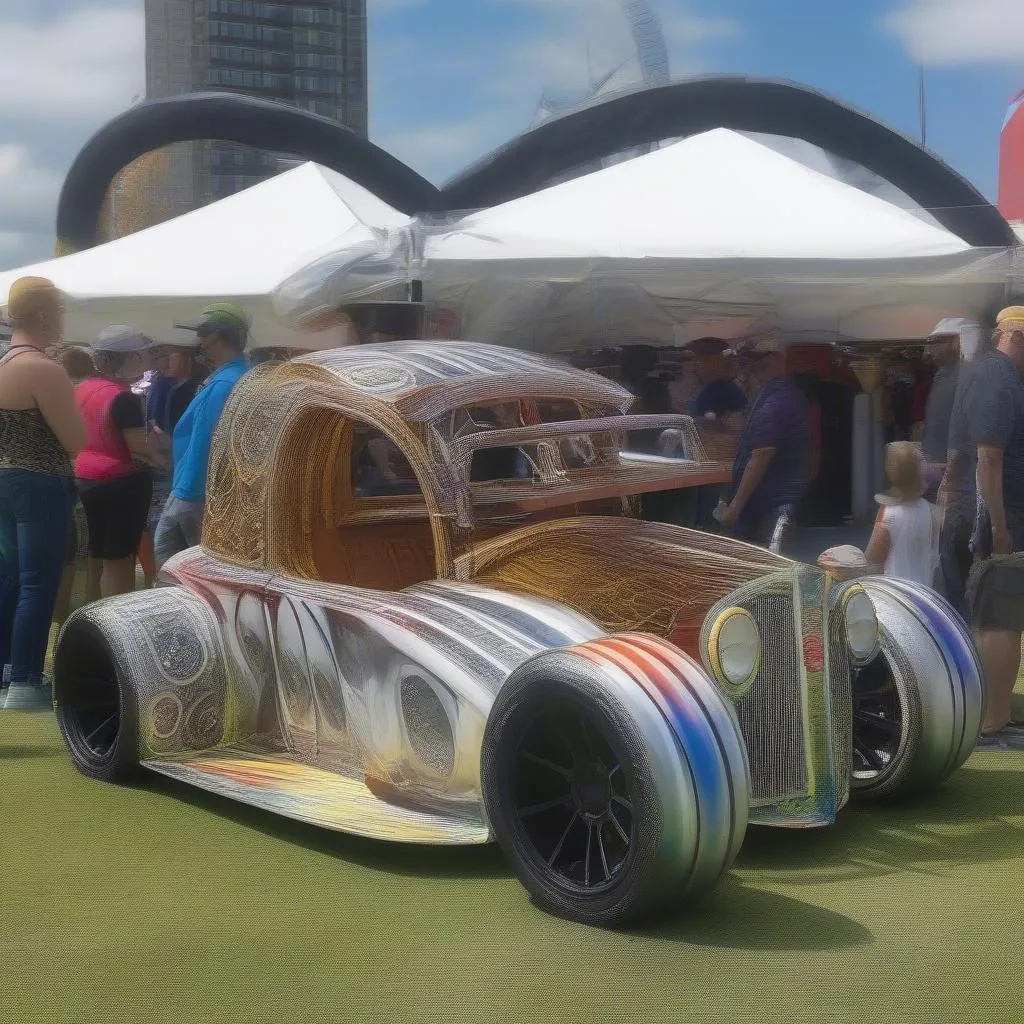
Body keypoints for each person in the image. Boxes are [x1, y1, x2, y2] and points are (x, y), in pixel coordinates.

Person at [0, 277, 87, 710]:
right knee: (38, 583)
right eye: (58, 312)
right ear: (42, 315)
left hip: (4, 479)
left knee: (12, 578)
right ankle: (26, 680)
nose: (61, 321)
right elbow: (75, 439)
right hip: (40, 480)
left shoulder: (3, 366)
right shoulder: (43, 370)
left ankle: (8, 672)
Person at [943, 306, 1024, 747]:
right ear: (1016, 337)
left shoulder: (993, 374)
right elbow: (988, 456)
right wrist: (1000, 525)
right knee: (1000, 618)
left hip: (986, 514)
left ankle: (994, 716)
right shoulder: (998, 378)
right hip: (993, 517)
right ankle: (993, 724)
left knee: (996, 616)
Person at [153, 303, 251, 565]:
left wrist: (186, 494)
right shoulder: (243, 374)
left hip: (194, 489)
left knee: (173, 565)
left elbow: (206, 443)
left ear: (216, 336)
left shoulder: (223, 383)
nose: (200, 343)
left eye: (203, 334)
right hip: (217, 488)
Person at [75, 326, 168, 601]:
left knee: (96, 552)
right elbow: (139, 446)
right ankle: (116, 618)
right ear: (131, 357)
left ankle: (89, 611)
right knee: (120, 557)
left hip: (87, 478)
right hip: (120, 484)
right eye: (144, 354)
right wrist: (165, 454)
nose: (147, 359)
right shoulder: (123, 397)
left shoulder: (83, 388)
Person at [720, 338, 812, 553]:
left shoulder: (777, 400)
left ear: (775, 359)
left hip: (769, 510)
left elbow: (761, 455)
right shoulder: (775, 395)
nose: (747, 368)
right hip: (771, 507)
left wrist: (735, 507)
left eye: (750, 361)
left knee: (766, 573)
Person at [863, 442, 939, 586]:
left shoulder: (888, 513)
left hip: (897, 595)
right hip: (925, 592)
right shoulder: (932, 512)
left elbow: (873, 560)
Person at [920, 319, 975, 501]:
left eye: (937, 342)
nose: (931, 348)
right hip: (935, 468)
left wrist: (952, 470)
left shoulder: (967, 375)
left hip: (954, 473)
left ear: (956, 342)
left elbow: (965, 426)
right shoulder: (941, 375)